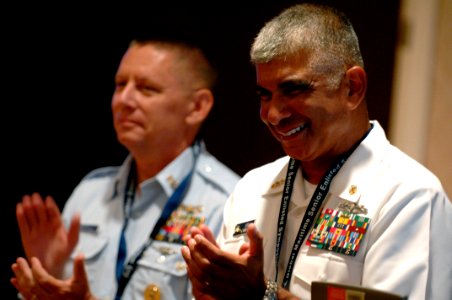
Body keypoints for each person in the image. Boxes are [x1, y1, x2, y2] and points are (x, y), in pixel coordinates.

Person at [181, 3, 452, 300]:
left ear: (352, 88)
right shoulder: (251, 188)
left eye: (293, 90)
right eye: (265, 95)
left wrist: (264, 295)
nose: (273, 114)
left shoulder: (408, 197)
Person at [11, 36, 240, 300]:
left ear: (197, 107)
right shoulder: (91, 192)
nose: (124, 100)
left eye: (146, 89)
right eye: (120, 85)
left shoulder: (228, 202)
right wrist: (48, 275)